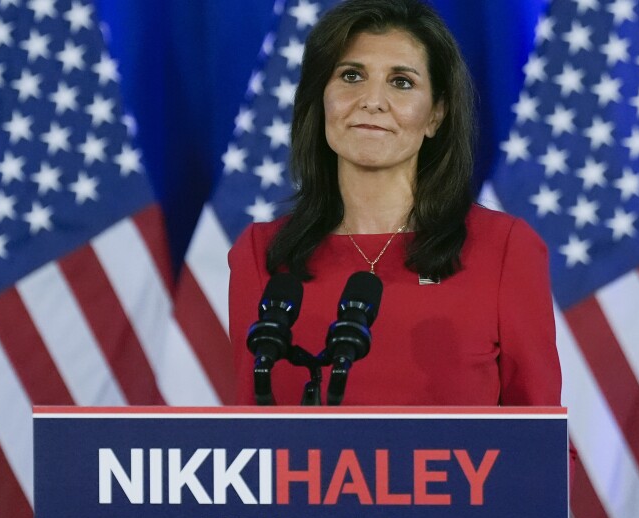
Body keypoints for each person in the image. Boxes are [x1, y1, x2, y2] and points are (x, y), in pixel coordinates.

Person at [228, 0, 561, 408]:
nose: (372, 100)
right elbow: (245, 438)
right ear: (321, 99)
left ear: (436, 114)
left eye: (401, 82)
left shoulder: (505, 249)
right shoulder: (261, 254)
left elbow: (540, 444)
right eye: (351, 76)